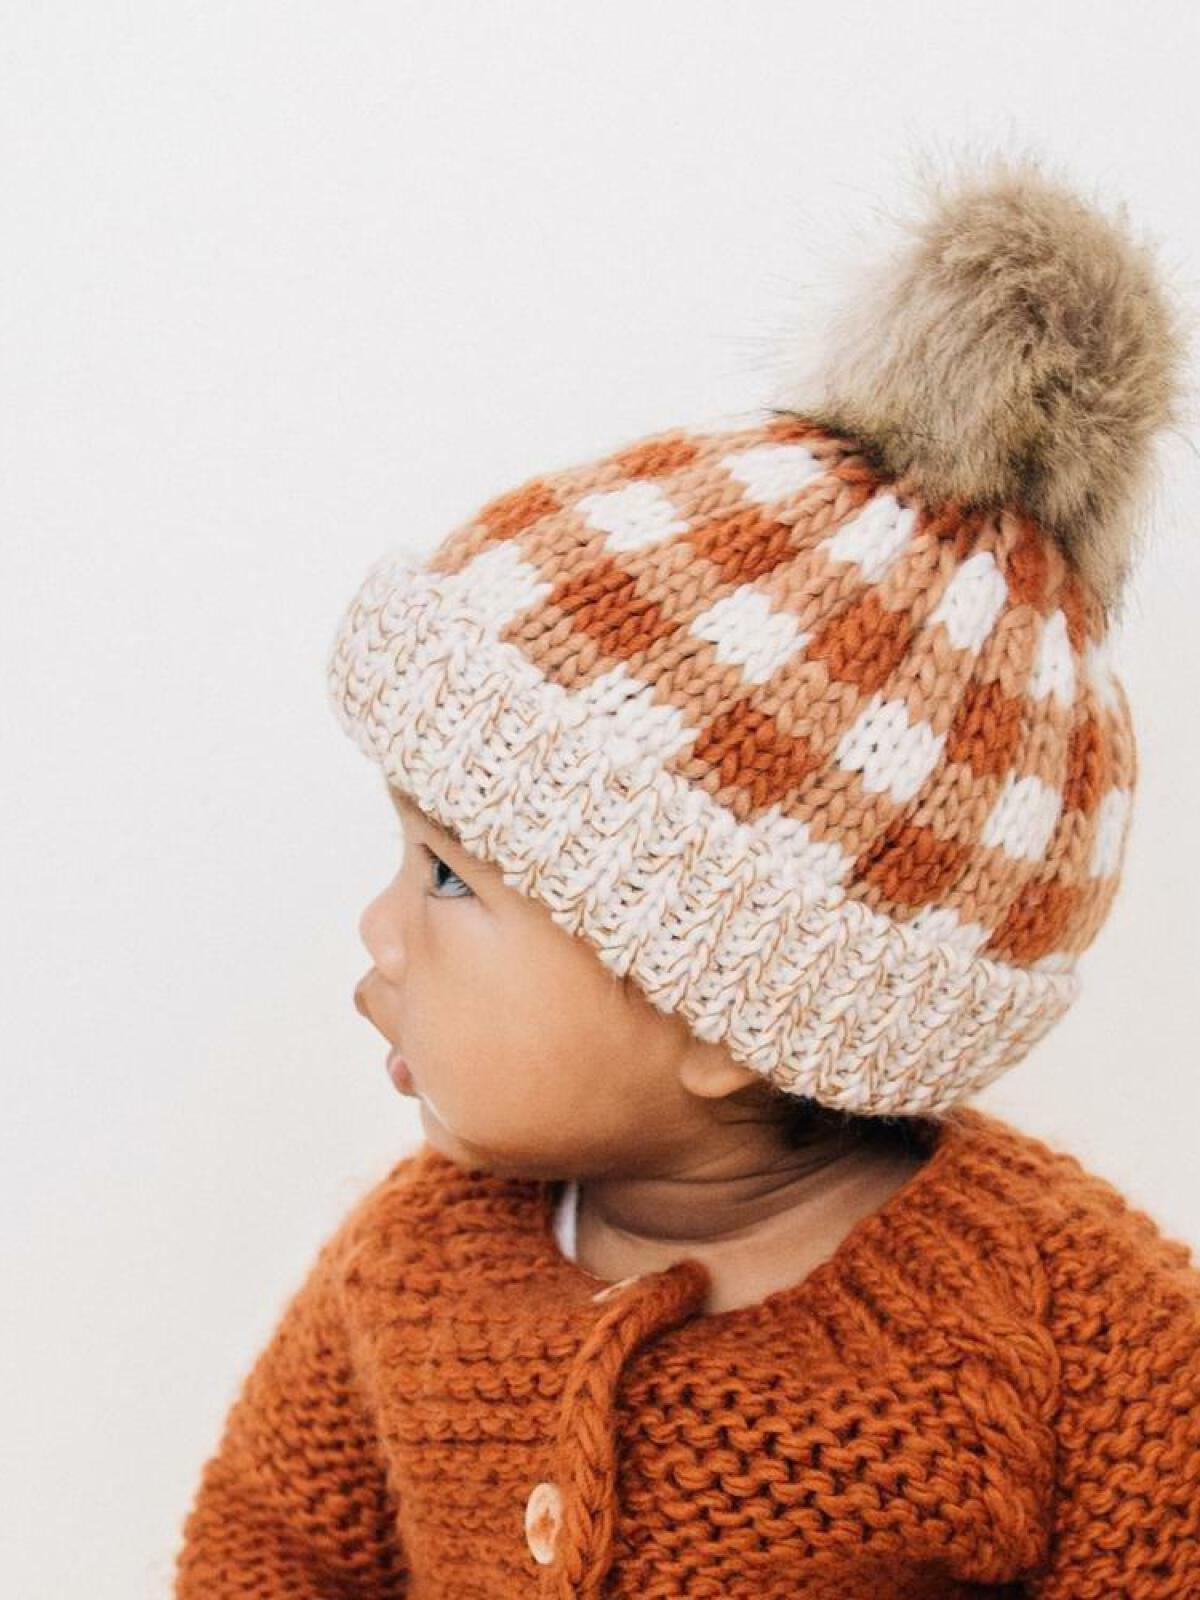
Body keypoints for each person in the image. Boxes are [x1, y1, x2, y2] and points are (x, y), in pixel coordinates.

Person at [174, 147, 1200, 1598]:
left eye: (450, 878)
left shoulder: (1075, 1329)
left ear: (729, 1007)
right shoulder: (410, 1268)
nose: (379, 931)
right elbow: (269, 1553)